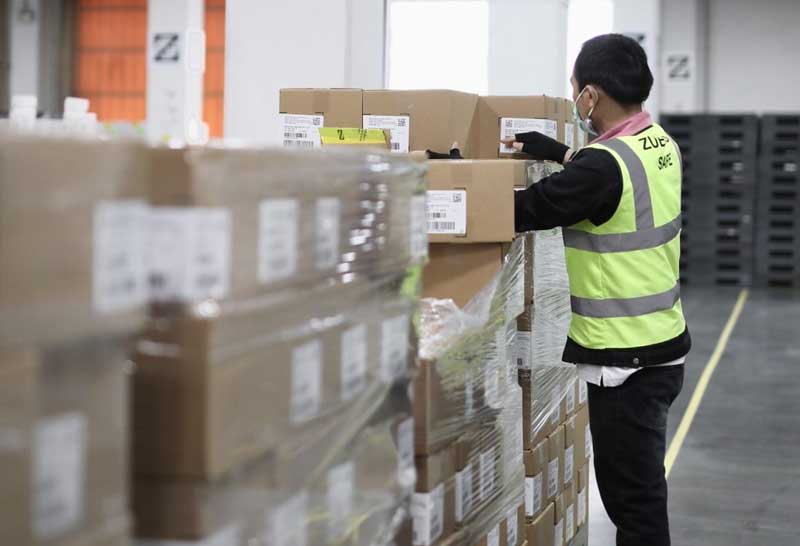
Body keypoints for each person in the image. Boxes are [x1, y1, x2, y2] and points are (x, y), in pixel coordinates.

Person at [505, 34, 690, 546]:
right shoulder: (660, 144)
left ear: (592, 95)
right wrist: (562, 153)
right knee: (641, 492)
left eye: (575, 90)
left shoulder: (604, 166)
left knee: (634, 506)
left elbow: (527, 209)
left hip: (626, 360)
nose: (574, 99)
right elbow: (608, 180)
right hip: (660, 344)